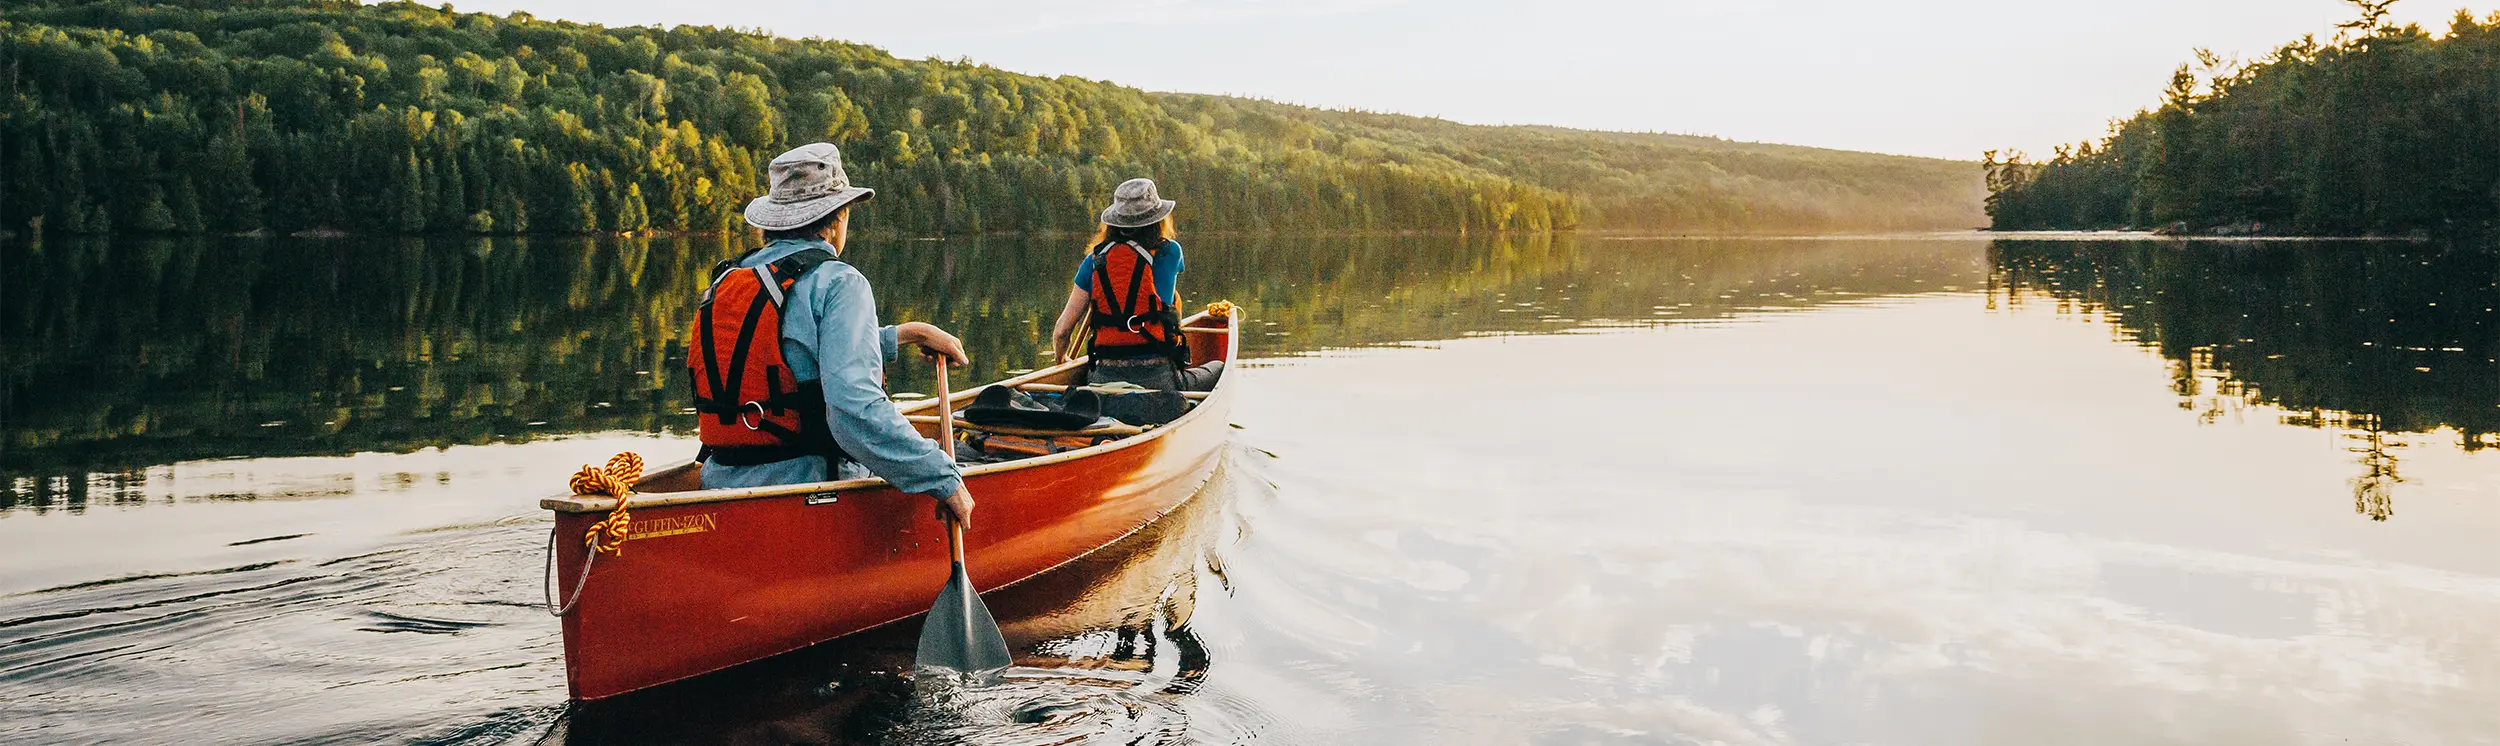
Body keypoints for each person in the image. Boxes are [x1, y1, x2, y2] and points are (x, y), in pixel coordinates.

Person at [688, 142, 975, 524]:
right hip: (807, 494)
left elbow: (792, 352)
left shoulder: (729, 279)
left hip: (718, 485)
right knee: (954, 455)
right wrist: (942, 477)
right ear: (837, 217)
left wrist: (903, 334)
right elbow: (853, 411)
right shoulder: (839, 281)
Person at [1048, 178, 1223, 425]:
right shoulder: (1171, 252)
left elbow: (1061, 331)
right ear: (1158, 219)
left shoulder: (1094, 262)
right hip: (1158, 381)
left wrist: (1061, 361)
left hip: (1101, 383)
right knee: (1219, 368)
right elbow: (1167, 303)